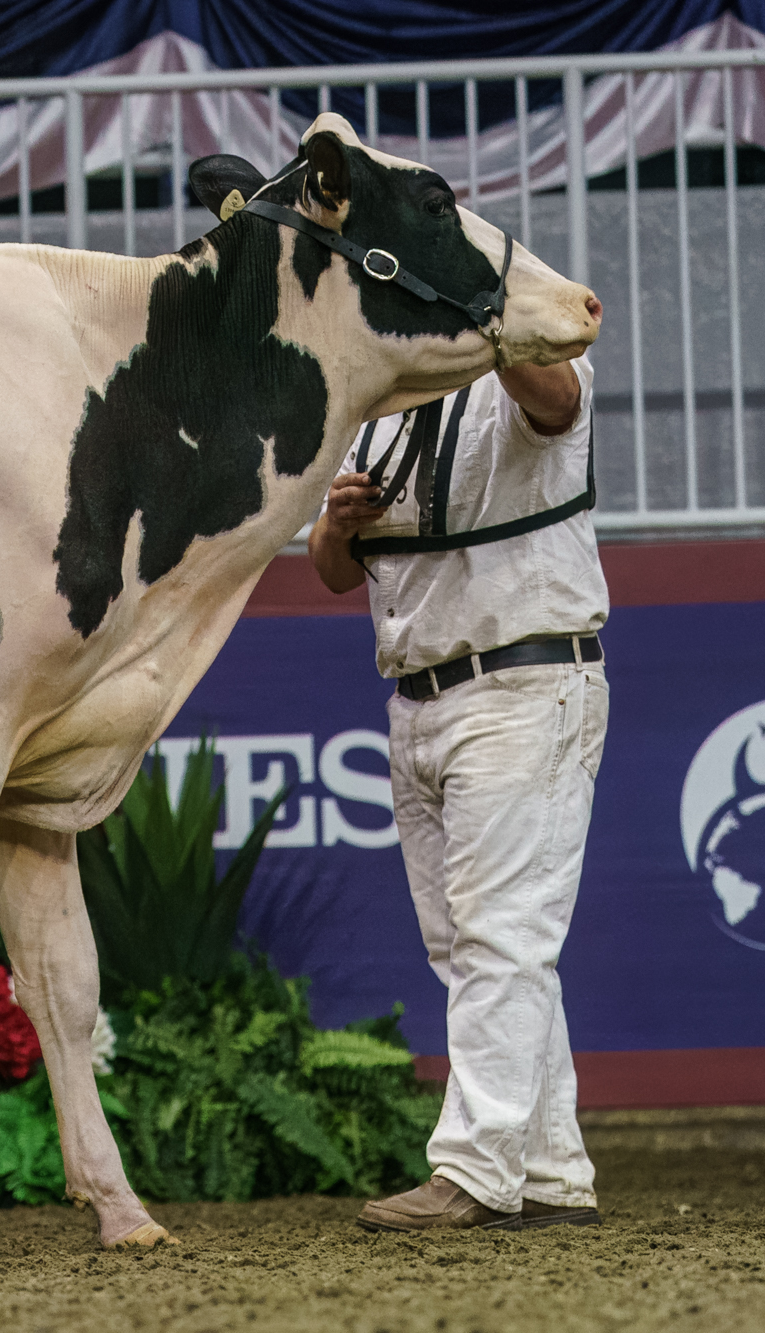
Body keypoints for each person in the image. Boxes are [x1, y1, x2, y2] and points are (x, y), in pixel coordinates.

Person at [308, 345, 609, 1233]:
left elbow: (556, 399)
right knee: (475, 948)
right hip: (416, 696)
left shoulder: (531, 360)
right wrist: (337, 523)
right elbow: (333, 569)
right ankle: (550, 1170)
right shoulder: (379, 398)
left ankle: (476, 1169)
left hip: (522, 680)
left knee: (498, 939)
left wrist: (494, 319)